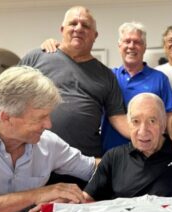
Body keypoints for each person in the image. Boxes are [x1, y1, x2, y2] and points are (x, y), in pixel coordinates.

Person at [19, 6, 128, 187]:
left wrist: (151, 137)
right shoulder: (37, 57)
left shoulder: (106, 75)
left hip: (83, 164)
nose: (78, 28)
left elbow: (118, 117)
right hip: (34, 160)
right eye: (73, 23)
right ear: (62, 30)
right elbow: (9, 98)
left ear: (95, 35)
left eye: (85, 25)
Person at [0, 66, 97, 212]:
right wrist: (36, 195)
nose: (48, 124)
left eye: (48, 115)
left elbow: (94, 169)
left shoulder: (48, 143)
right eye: (40, 118)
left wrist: (70, 196)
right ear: (6, 117)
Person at [83, 93, 172, 201]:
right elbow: (87, 199)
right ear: (128, 123)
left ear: (163, 123)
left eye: (152, 121)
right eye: (135, 121)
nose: (143, 131)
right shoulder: (113, 157)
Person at [100, 21, 172, 153]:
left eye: (137, 42)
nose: (131, 46)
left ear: (145, 47)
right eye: (127, 41)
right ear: (119, 46)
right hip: (113, 154)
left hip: (151, 155)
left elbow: (169, 116)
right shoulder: (108, 77)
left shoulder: (159, 79)